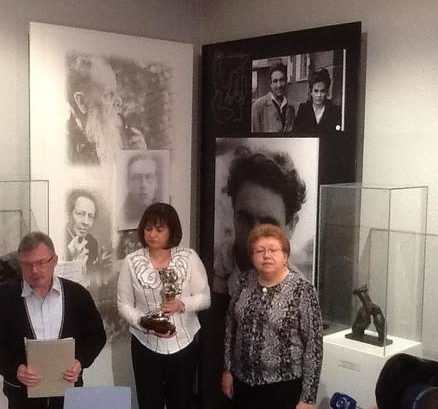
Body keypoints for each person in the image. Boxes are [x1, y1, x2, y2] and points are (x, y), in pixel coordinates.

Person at [0, 231, 106, 409]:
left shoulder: (77, 294)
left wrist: (80, 361)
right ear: (20, 264)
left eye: (40, 262)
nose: (34, 270)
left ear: (54, 260)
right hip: (22, 397)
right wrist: (15, 369)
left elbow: (97, 336)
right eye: (27, 264)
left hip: (68, 393)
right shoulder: (5, 298)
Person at [117, 203, 211, 409]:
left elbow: (205, 298)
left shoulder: (189, 257)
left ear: (172, 231)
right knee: (149, 402)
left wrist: (182, 304)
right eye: (148, 228)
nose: (152, 235)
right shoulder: (131, 261)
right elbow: (123, 304)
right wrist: (142, 321)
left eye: (159, 230)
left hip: (183, 343)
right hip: (145, 343)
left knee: (181, 401)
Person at [221, 223, 323, 409]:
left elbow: (313, 345)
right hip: (243, 383)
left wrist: (307, 398)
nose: (266, 255)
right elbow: (231, 327)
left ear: (285, 256)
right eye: (259, 250)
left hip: (283, 387)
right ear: (252, 256)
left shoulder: (303, 290)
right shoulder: (243, 281)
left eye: (273, 250)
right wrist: (227, 370)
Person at [213, 146, 307, 295]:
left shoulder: (299, 294)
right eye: (245, 218)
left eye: (268, 223)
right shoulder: (204, 269)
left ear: (291, 226)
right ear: (234, 213)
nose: (254, 235)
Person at [66, 53, 146, 165]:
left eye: (116, 91)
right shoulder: (64, 149)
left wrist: (139, 158)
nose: (119, 101)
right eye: (108, 94)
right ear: (81, 102)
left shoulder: (123, 136)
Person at [251, 63, 295, 133]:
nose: (279, 85)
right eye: (275, 81)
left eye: (281, 80)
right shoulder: (258, 107)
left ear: (286, 81)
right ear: (270, 84)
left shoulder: (291, 108)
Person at [294, 68, 341, 133]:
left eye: (322, 91)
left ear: (326, 92)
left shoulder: (334, 111)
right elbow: (297, 133)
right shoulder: (303, 109)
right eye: (316, 91)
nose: (319, 95)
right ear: (311, 92)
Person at [119, 153, 159, 228]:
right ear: (128, 183)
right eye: (137, 178)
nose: (143, 185)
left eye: (149, 177)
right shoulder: (122, 216)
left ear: (156, 182)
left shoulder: (163, 212)